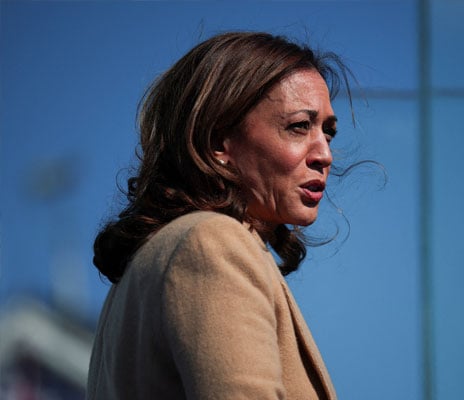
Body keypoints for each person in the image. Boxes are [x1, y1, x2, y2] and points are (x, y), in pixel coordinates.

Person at [87, 31, 350, 399]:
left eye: (328, 132)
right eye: (298, 126)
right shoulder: (211, 244)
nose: (325, 154)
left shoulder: (156, 261)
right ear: (216, 143)